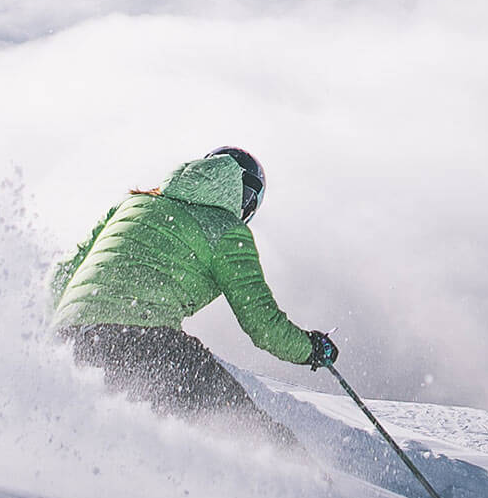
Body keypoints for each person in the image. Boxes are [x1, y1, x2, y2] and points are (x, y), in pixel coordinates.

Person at [49, 146, 337, 446]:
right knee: (246, 428)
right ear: (245, 198)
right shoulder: (226, 232)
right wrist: (311, 349)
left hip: (67, 345)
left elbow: (63, 275)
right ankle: (304, 483)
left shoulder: (133, 205)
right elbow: (262, 324)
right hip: (143, 344)